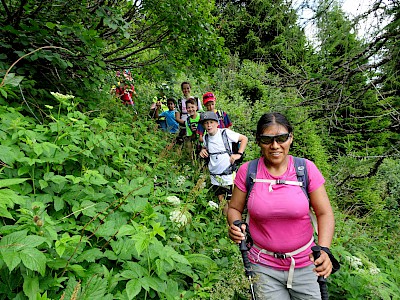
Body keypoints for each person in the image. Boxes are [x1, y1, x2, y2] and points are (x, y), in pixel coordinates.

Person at [227, 112, 338, 300]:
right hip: (262, 266)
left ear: (291, 138)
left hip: (307, 265)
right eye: (267, 139)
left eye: (282, 138)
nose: (275, 146)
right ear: (258, 141)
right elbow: (234, 208)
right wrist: (236, 225)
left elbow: (325, 213)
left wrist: (325, 250)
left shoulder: (306, 169)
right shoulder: (248, 171)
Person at [199, 111, 248, 214]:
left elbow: (244, 139)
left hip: (227, 175)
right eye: (206, 123)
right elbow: (206, 147)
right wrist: (202, 150)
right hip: (214, 176)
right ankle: (225, 224)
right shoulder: (205, 137)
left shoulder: (225, 133)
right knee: (221, 200)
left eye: (211, 122)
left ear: (217, 123)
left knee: (231, 201)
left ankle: (234, 222)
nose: (209, 125)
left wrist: (239, 154)